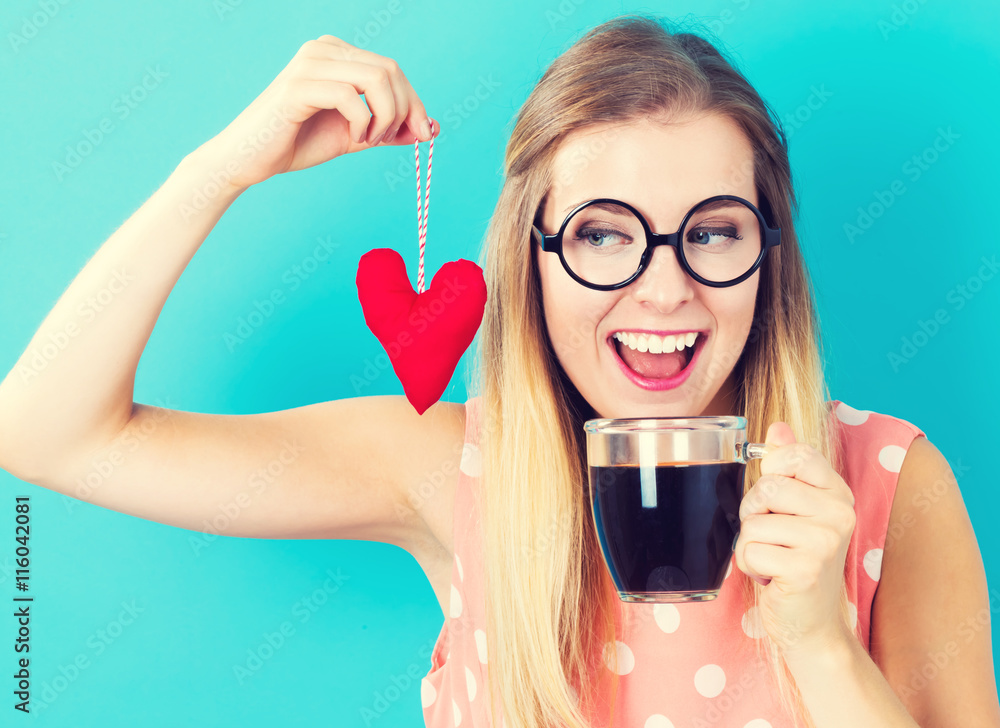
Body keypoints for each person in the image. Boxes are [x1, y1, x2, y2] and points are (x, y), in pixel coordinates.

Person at [0, 12, 996, 728]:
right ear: (532, 255)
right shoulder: (447, 463)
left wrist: (821, 643)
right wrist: (219, 167)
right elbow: (43, 430)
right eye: (603, 234)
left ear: (767, 254)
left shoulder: (886, 484)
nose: (662, 290)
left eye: (710, 232)